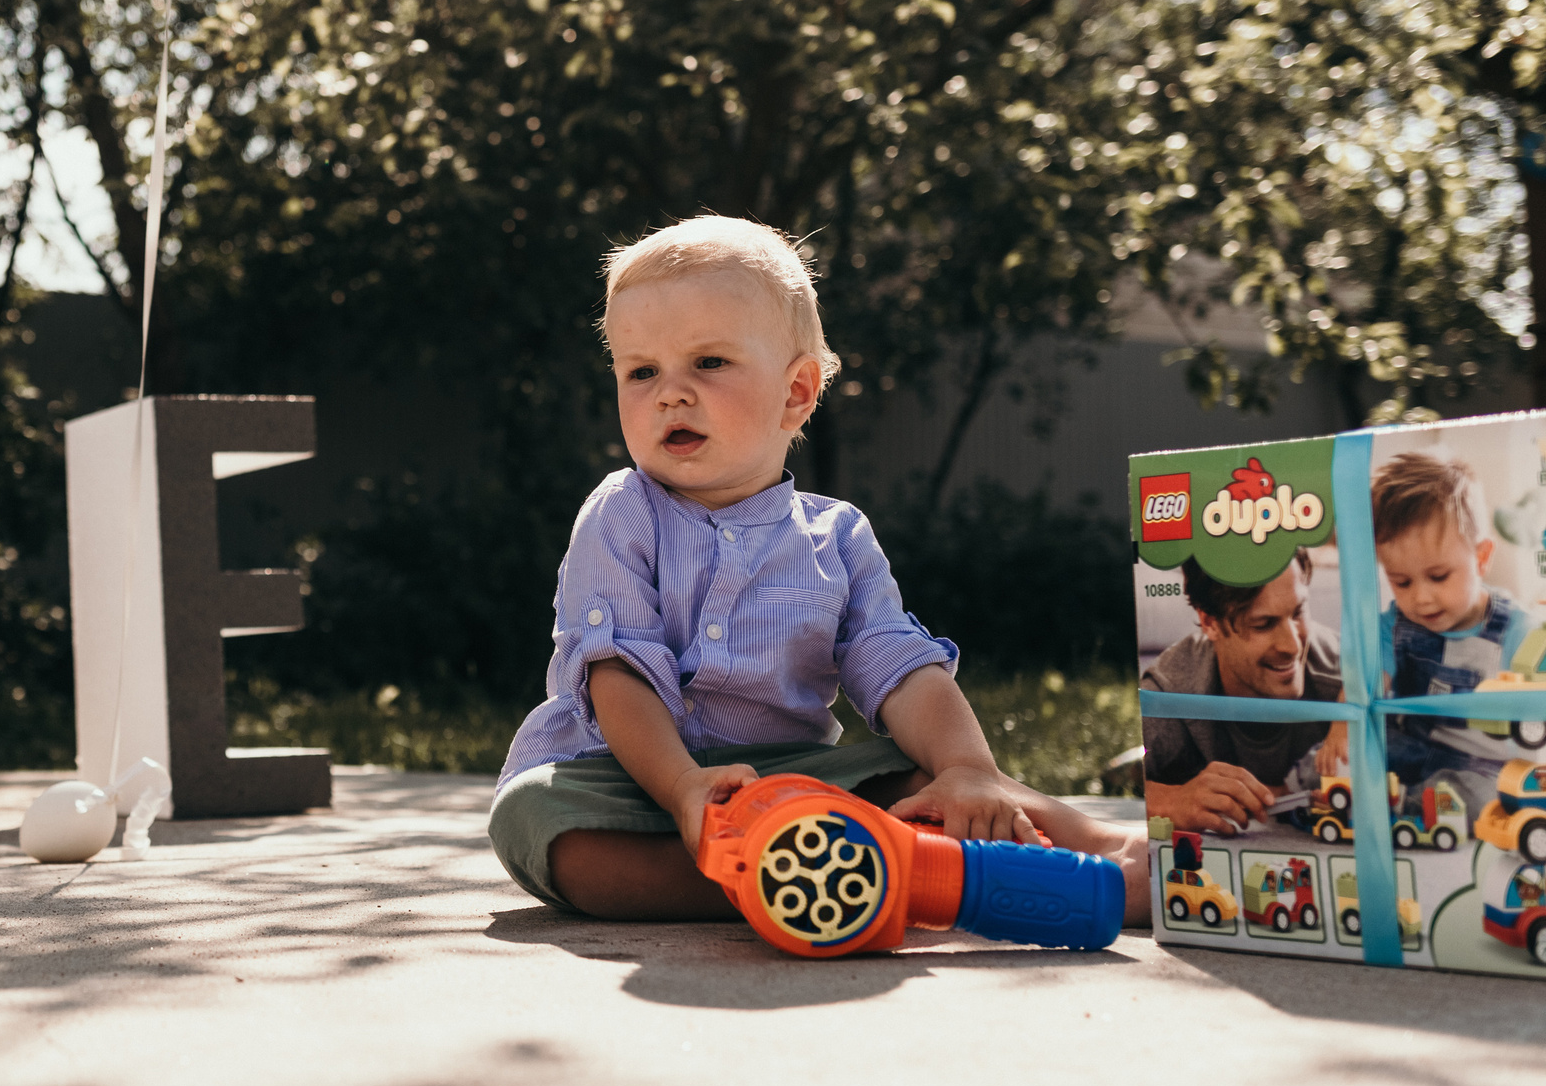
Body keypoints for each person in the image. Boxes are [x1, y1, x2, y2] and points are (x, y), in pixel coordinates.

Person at [486, 215, 1147, 925]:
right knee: (544, 821)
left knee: (919, 775)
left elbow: (898, 666)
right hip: (624, 779)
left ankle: (1115, 854)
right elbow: (614, 671)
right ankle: (894, 870)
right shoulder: (623, 511)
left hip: (789, 778)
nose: (669, 393)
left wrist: (967, 770)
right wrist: (684, 789)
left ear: (797, 391)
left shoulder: (836, 534)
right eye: (641, 371)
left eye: (707, 363)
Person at [1139, 555, 1344, 833]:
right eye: (1263, 624)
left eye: (1298, 612)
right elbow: (1126, 790)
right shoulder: (1168, 696)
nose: (1293, 646)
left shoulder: (1347, 679)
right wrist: (1169, 801)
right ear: (1210, 622)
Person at [1373, 451, 1526, 782]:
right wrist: (1344, 731)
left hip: (1482, 766)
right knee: (1346, 755)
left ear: (1481, 557)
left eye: (1439, 576)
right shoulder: (1394, 626)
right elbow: (1366, 686)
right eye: (1401, 582)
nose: (1420, 598)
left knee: (1473, 794)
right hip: (1412, 747)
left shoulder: (1518, 630)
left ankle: (1413, 811)